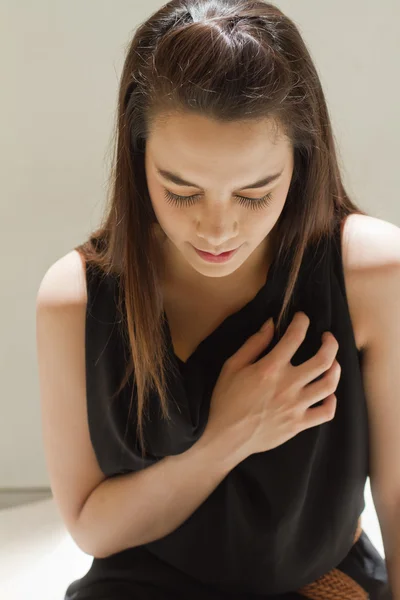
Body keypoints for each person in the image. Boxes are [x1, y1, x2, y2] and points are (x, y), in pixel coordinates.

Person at [35, 1, 396, 598]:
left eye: (255, 195)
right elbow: (93, 528)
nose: (218, 229)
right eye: (181, 192)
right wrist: (228, 437)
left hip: (319, 582)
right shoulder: (76, 300)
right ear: (136, 154)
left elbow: (398, 493)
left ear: (301, 163)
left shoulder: (372, 272)